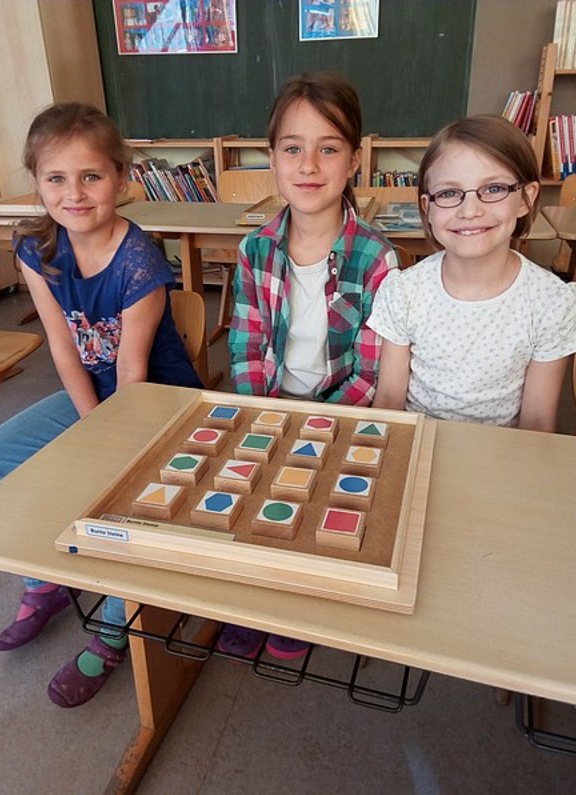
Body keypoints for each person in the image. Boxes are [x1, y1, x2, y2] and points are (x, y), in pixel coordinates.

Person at [0, 102, 202, 708]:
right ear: (36, 182)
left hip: (157, 402)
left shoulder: (139, 260)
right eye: (56, 178)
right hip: (91, 395)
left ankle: (112, 630)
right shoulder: (35, 247)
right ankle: (47, 580)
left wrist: (102, 449)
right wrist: (87, 427)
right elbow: (62, 345)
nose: (74, 193)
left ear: (121, 178)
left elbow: (133, 373)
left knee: (124, 505)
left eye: (91, 176)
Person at [225, 71, 397, 660]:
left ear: (355, 160)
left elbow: (371, 374)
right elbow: (245, 348)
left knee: (322, 504)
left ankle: (299, 601)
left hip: (342, 416)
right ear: (272, 158)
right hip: (269, 406)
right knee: (249, 495)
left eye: (329, 149)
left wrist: (311, 430)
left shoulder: (377, 258)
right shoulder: (255, 249)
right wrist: (267, 419)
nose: (309, 165)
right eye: (292, 149)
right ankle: (255, 599)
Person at [368, 114, 576, 430]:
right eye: (449, 193)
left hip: (500, 453)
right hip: (417, 445)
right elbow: (388, 402)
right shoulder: (404, 292)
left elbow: (537, 423)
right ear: (427, 207)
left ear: (526, 198)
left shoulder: (550, 302)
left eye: (494, 188)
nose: (470, 211)